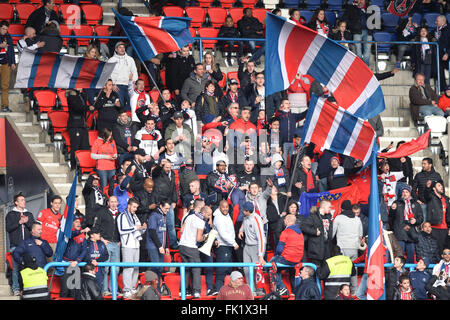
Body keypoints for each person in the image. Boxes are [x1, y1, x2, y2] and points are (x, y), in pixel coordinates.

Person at [5, 193, 35, 296]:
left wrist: (26, 222)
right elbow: (8, 228)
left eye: (24, 200)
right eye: (21, 200)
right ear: (16, 202)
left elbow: (33, 229)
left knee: (28, 268)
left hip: (28, 246)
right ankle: (16, 288)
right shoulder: (11, 214)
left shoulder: (29, 214)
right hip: (16, 246)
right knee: (16, 269)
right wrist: (19, 222)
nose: (24, 201)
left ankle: (26, 288)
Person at [178, 199, 209, 298]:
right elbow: (198, 238)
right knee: (196, 269)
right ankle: (196, 291)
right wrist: (205, 237)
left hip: (182, 245)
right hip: (191, 247)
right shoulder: (200, 221)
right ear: (200, 209)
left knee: (186, 268)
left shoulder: (189, 216)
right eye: (208, 215)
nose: (209, 217)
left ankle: (182, 290)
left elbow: (181, 230)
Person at [117, 198, 147, 299]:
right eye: (134, 207)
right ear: (128, 205)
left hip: (136, 245)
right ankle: (127, 290)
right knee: (128, 268)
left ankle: (133, 288)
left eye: (136, 207)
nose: (135, 209)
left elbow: (138, 230)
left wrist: (143, 228)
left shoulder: (135, 216)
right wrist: (136, 228)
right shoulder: (122, 216)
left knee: (135, 268)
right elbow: (121, 230)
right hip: (127, 246)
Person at [332, 200, 362, 294]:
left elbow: (332, 233)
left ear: (342, 208)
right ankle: (354, 292)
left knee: (342, 270)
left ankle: (342, 292)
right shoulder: (357, 219)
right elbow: (360, 235)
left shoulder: (338, 218)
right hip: (354, 248)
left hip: (342, 247)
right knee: (353, 270)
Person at [271, 214, 304, 296]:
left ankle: (282, 287)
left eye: (285, 219)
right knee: (291, 272)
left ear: (287, 221)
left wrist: (277, 256)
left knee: (270, 265)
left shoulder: (285, 232)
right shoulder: (300, 233)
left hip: (287, 259)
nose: (284, 221)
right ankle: (295, 291)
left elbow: (279, 249)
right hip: (297, 260)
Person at [389, 185, 423, 263]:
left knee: (411, 254)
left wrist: (416, 221)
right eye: (403, 192)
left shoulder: (415, 203)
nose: (404, 194)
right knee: (400, 253)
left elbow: (421, 218)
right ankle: (400, 272)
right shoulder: (396, 203)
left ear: (410, 193)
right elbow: (391, 217)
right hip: (400, 232)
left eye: (406, 192)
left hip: (411, 232)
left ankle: (409, 272)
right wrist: (392, 210)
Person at [238, 201, 266, 296]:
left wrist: (260, 255)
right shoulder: (246, 217)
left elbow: (262, 239)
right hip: (247, 246)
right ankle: (251, 290)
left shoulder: (256, 220)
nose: (241, 211)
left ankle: (259, 290)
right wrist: (241, 231)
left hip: (256, 247)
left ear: (247, 211)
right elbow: (244, 223)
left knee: (256, 270)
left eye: (243, 210)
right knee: (246, 269)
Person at [96, 195, 121, 296]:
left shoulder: (120, 214)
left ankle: (113, 290)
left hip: (116, 244)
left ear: (118, 203)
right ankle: (104, 290)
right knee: (105, 268)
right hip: (106, 243)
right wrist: (101, 239)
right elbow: (96, 227)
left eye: (115, 202)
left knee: (116, 269)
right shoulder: (102, 213)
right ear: (108, 203)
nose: (114, 204)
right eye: (112, 202)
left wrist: (120, 241)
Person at [213, 200, 239, 292]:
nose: (225, 209)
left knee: (228, 269)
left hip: (228, 246)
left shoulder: (226, 216)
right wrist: (234, 243)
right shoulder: (218, 218)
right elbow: (223, 234)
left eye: (227, 207)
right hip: (223, 247)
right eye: (223, 207)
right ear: (219, 207)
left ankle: (228, 291)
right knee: (222, 269)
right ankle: (219, 290)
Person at [59, 217, 88, 298]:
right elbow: (71, 234)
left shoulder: (83, 236)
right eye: (76, 222)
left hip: (75, 264)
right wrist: (82, 231)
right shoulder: (68, 232)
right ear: (71, 223)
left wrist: (77, 261)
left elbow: (84, 250)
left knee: (74, 290)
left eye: (79, 222)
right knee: (65, 289)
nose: (79, 223)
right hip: (65, 263)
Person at [146, 201, 171, 291]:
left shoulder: (163, 216)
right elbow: (152, 232)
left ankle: (157, 290)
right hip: (153, 246)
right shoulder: (154, 216)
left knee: (160, 268)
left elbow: (165, 232)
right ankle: (152, 289)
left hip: (161, 247)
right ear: (160, 206)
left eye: (169, 209)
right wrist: (160, 246)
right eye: (166, 208)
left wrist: (167, 246)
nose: (167, 210)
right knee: (156, 267)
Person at [108, 41, 138, 111]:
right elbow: (107, 74)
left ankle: (128, 120)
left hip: (129, 85)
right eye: (120, 47)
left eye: (123, 47)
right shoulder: (111, 60)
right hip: (117, 86)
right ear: (116, 49)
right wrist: (112, 85)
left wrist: (134, 82)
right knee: (120, 105)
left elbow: (134, 71)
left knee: (131, 105)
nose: (122, 49)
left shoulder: (130, 59)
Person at [302, 201, 333, 266]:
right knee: (316, 270)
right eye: (329, 207)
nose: (330, 209)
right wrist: (314, 232)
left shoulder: (329, 217)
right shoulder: (313, 217)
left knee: (325, 271)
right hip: (316, 249)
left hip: (326, 249)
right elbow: (303, 227)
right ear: (323, 206)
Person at [342, 0, 372, 66]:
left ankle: (366, 69)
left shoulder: (370, 8)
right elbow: (345, 19)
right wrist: (352, 27)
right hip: (356, 32)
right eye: (359, 0)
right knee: (358, 53)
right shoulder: (351, 8)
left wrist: (372, 28)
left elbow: (376, 20)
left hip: (368, 32)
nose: (360, 1)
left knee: (367, 53)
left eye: (362, 0)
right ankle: (359, 68)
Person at [66, 88, 90, 169]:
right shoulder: (71, 97)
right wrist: (88, 108)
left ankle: (84, 166)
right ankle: (74, 166)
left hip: (82, 125)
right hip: (75, 125)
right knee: (75, 147)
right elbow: (77, 108)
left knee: (85, 146)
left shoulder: (81, 96)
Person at [426, 180, 450, 254]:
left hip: (445, 228)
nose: (441, 187)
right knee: (435, 249)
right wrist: (428, 188)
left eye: (441, 185)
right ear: (434, 188)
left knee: (444, 250)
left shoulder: (446, 199)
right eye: (439, 185)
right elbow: (425, 195)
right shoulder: (431, 197)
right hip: (434, 227)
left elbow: (448, 214)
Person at [36, 195, 62, 259]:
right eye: (55, 203)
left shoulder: (60, 216)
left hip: (54, 243)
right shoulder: (44, 212)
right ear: (51, 203)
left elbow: (58, 231)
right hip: (44, 242)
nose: (57, 205)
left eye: (59, 203)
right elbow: (36, 226)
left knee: (52, 264)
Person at [0, 20, 16, 113]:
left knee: (5, 86)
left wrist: (13, 62)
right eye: (3, 29)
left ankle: (5, 106)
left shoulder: (8, 37)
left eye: (6, 29)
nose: (4, 31)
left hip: (6, 64)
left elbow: (11, 51)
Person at [435, 15, 450, 92]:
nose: (435, 22)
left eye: (437, 21)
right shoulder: (437, 29)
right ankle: (443, 88)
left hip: (447, 54)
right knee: (439, 70)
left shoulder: (448, 29)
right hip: (439, 54)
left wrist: (447, 53)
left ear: (443, 21)